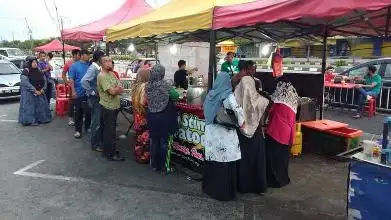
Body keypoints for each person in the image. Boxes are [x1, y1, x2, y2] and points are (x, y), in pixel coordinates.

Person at [202, 70, 244, 201]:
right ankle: (224, 193)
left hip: (211, 133)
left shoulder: (210, 95)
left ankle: (211, 189)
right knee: (224, 163)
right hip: (224, 135)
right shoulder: (228, 96)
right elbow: (239, 115)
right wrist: (242, 123)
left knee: (214, 161)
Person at [233, 60, 270, 195]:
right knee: (256, 160)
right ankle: (258, 187)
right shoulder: (262, 101)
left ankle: (243, 186)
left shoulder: (236, 93)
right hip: (255, 134)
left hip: (241, 131)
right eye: (250, 69)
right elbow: (263, 116)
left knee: (243, 159)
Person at [265, 81, 299, 188]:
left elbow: (270, 112)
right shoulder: (293, 103)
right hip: (288, 134)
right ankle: (283, 178)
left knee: (273, 159)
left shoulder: (278, 104)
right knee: (283, 159)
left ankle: (274, 180)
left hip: (276, 133)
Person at [146, 64, 179, 173]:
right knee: (164, 142)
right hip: (164, 116)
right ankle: (164, 166)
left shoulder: (148, 85)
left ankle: (154, 165)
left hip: (152, 116)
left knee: (154, 141)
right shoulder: (165, 84)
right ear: (162, 73)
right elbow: (175, 96)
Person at [97, 55, 125, 161]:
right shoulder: (102, 76)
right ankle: (110, 154)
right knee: (109, 132)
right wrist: (117, 89)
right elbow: (113, 92)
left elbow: (120, 86)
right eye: (105, 61)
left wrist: (117, 88)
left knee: (110, 131)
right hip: (108, 107)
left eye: (109, 61)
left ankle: (108, 150)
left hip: (113, 106)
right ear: (101, 64)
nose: (109, 63)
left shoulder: (112, 73)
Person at [81, 50, 105, 151]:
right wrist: (93, 92)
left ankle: (98, 141)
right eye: (103, 57)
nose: (104, 59)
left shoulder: (97, 68)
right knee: (96, 121)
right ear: (99, 58)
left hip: (98, 98)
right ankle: (95, 144)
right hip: (95, 99)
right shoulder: (93, 68)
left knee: (98, 120)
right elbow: (84, 81)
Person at [19, 56, 52, 125]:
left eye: (36, 62)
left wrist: (43, 89)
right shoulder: (26, 71)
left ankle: (42, 119)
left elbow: (44, 80)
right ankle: (31, 121)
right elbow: (25, 83)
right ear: (29, 63)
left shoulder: (39, 70)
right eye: (33, 62)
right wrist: (35, 90)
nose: (35, 64)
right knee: (30, 108)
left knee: (41, 106)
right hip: (29, 94)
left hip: (40, 91)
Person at [69, 49, 91, 139]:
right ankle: (78, 130)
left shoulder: (89, 65)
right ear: (82, 55)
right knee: (78, 112)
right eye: (88, 55)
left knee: (89, 112)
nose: (89, 57)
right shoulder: (74, 66)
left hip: (88, 93)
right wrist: (73, 91)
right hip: (78, 93)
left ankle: (87, 127)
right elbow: (71, 80)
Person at [131, 68, 151, 163]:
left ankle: (138, 154)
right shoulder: (146, 86)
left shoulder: (136, 85)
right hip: (144, 115)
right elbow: (145, 102)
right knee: (145, 138)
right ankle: (144, 157)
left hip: (137, 115)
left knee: (139, 136)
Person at [62, 49, 81, 126]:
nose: (80, 56)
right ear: (74, 55)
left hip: (80, 86)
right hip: (72, 86)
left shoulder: (81, 62)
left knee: (80, 101)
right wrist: (67, 82)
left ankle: (80, 116)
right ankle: (70, 118)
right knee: (71, 102)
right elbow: (63, 74)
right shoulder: (68, 63)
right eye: (79, 55)